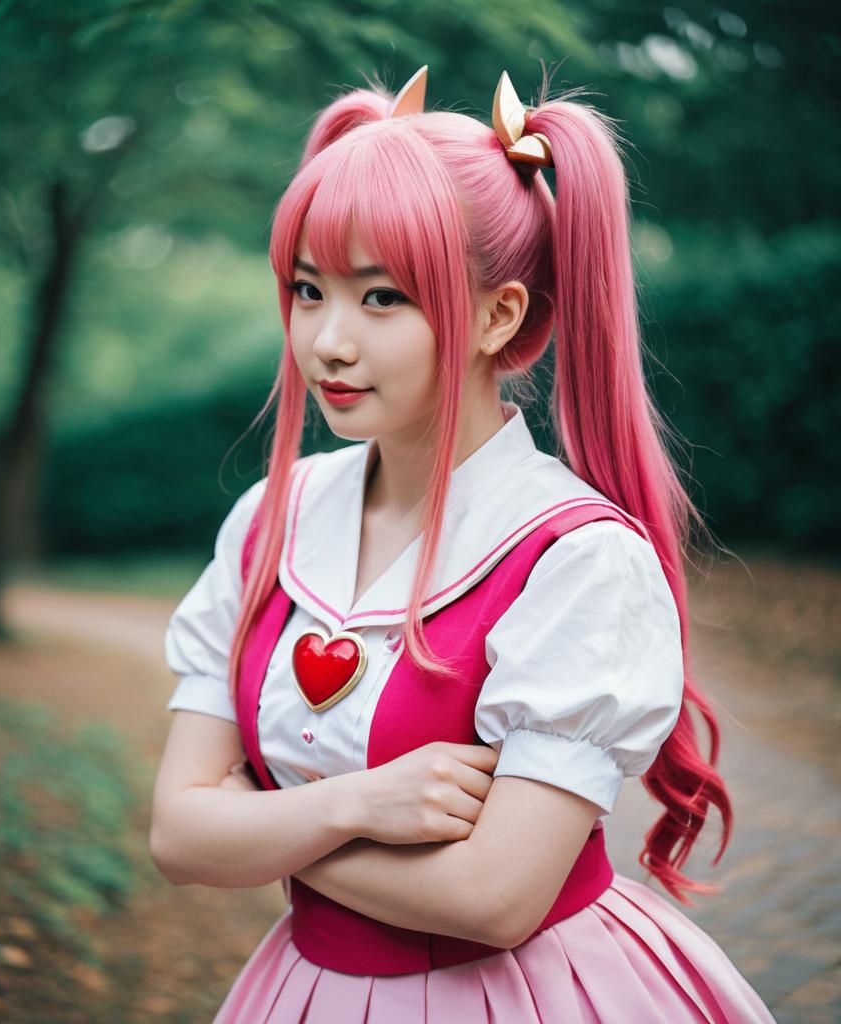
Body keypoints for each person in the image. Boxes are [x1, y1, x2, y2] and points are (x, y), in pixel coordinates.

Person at [149, 64, 778, 1022]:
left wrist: (257, 824)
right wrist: (357, 805)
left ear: (499, 315)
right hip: (309, 988)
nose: (326, 342)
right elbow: (177, 835)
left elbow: (494, 898)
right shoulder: (271, 520)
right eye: (309, 290)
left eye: (382, 298)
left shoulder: (573, 559)